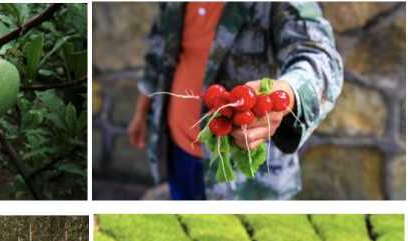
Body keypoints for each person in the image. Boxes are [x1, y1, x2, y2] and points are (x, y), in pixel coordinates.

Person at [127, 2, 343, 200]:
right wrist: (142, 110)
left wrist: (286, 94)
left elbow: (321, 56)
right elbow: (158, 51)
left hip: (244, 178)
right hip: (178, 147)